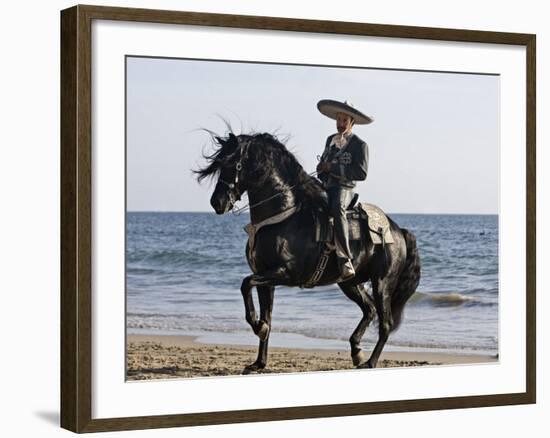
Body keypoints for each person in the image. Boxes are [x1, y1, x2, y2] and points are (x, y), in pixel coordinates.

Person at [316, 99, 373, 280]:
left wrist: (331, 168)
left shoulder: (360, 145)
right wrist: (321, 168)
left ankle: (345, 258)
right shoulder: (329, 140)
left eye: (344, 121)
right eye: (338, 120)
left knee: (337, 209)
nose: (340, 124)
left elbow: (361, 173)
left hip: (344, 188)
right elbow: (325, 163)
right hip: (327, 186)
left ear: (352, 122)